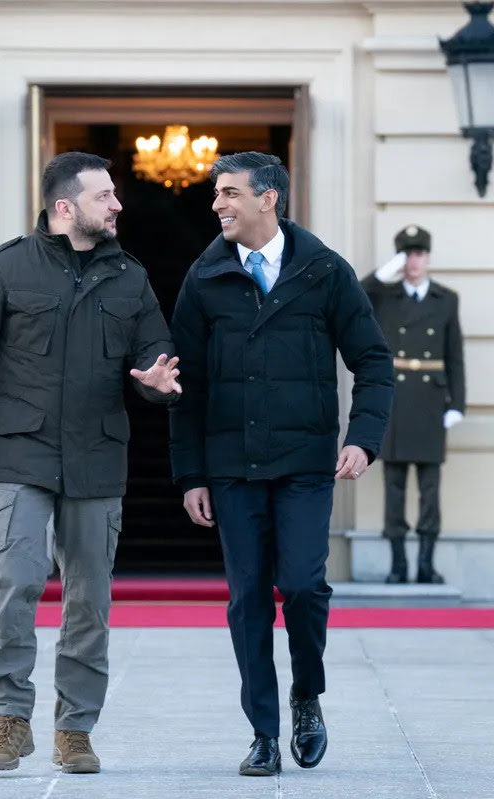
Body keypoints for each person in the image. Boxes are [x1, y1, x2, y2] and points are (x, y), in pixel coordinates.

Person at [0, 152, 180, 775]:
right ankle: (8, 720)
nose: (118, 205)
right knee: (15, 583)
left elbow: (154, 354)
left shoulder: (130, 277)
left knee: (89, 599)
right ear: (66, 207)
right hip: (20, 452)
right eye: (105, 196)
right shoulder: (8, 267)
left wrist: (155, 380)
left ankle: (74, 729)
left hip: (96, 457)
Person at [168, 152, 394, 776]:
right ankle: (263, 733)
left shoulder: (325, 271)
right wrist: (191, 474)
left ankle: (307, 695)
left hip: (304, 462)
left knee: (301, 586)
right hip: (232, 467)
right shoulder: (204, 278)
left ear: (268, 199)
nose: (218, 205)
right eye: (217, 194)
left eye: (230, 193)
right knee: (247, 600)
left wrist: (363, 438)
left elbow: (373, 362)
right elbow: (185, 385)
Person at [360, 224, 466, 584]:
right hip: (397, 400)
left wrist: (458, 404)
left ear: (428, 257)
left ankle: (426, 563)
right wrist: (379, 276)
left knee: (430, 491)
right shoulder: (385, 296)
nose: (414, 261)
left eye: (419, 254)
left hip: (432, 401)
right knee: (394, 488)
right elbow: (355, 296)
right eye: (407, 254)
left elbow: (455, 355)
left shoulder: (446, 299)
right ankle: (398, 564)